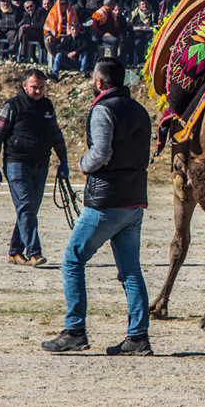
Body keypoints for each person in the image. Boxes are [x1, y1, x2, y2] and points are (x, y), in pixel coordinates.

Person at [41, 58, 153, 356]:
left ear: (99, 82)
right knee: (131, 271)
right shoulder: (139, 110)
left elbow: (101, 153)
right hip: (134, 200)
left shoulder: (103, 109)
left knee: (72, 260)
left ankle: (74, 331)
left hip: (107, 201)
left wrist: (82, 164)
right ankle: (138, 338)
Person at [0, 69, 68, 267]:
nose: (38, 91)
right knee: (26, 207)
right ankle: (34, 253)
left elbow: (56, 133)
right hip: (17, 164)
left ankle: (15, 252)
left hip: (41, 165)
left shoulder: (47, 106)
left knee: (29, 210)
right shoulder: (12, 105)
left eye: (41, 87)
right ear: (24, 86)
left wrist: (63, 160)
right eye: (34, 87)